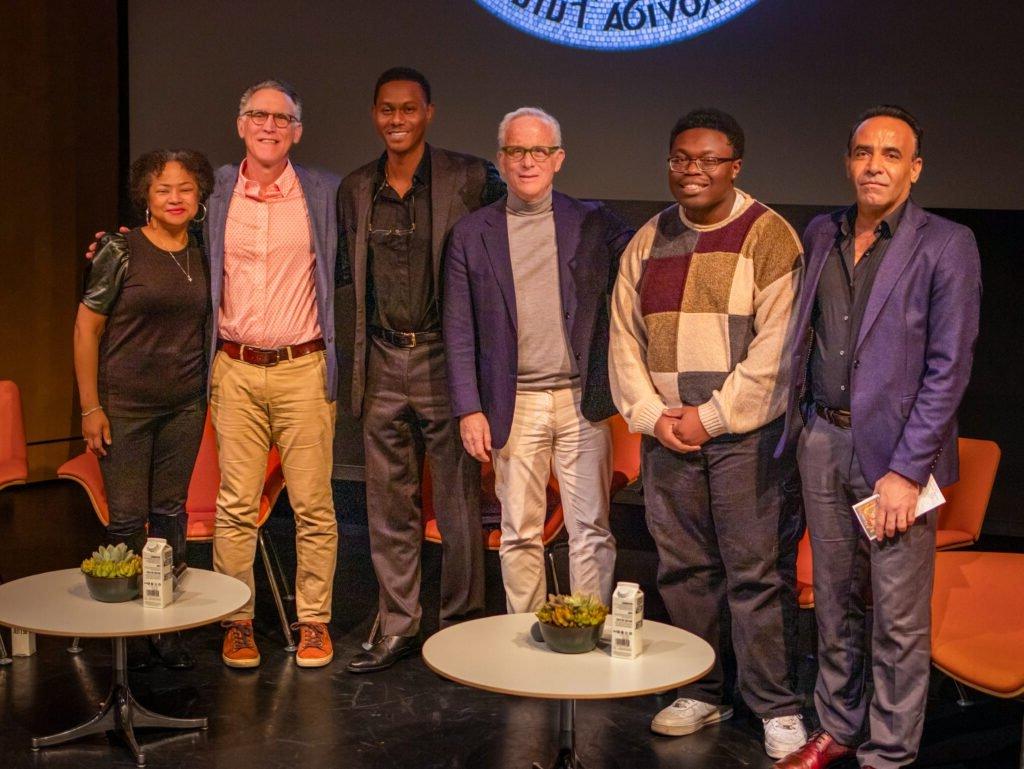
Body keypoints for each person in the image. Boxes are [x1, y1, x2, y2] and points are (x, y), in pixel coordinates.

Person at [773, 106, 981, 769]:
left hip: (896, 457)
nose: (874, 165)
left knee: (895, 614)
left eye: (891, 154)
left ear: (914, 169)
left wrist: (907, 469)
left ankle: (889, 752)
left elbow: (949, 369)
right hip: (820, 440)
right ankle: (838, 724)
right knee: (833, 601)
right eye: (864, 152)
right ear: (848, 161)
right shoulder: (821, 232)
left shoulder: (947, 243)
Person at [609, 108, 806, 758]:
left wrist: (711, 415)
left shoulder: (769, 237)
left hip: (742, 439)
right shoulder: (650, 237)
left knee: (754, 574)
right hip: (669, 438)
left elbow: (777, 354)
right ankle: (702, 689)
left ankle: (775, 706)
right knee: (686, 570)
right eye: (681, 159)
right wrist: (651, 415)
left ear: (735, 165)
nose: (693, 171)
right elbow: (623, 341)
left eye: (709, 160)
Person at [339, 67, 505, 674]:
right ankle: (398, 624)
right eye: (387, 109)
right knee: (388, 503)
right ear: (375, 114)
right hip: (381, 358)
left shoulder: (468, 177)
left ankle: (459, 627)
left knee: (459, 501)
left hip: (445, 357)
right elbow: (346, 280)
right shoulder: (356, 187)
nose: (397, 119)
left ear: (429, 113)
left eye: (408, 109)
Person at [443, 107, 632, 612]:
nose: (528, 162)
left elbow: (645, 263)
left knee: (590, 528)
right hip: (513, 403)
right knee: (520, 531)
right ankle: (522, 638)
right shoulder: (472, 233)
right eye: (516, 151)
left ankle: (588, 632)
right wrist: (469, 408)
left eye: (539, 151)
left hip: (578, 403)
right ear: (501, 160)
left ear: (558, 159)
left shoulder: (592, 222)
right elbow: (459, 329)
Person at [206, 79, 342, 669]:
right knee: (235, 504)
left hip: (302, 368)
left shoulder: (325, 193)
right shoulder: (211, 191)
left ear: (297, 131)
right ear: (240, 124)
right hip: (233, 368)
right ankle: (237, 622)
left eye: (281, 118)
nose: (268, 126)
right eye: (258, 115)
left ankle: (313, 621)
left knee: (313, 505)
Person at [75, 148, 215, 669]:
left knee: (170, 515)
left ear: (199, 197)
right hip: (125, 407)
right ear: (146, 198)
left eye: (185, 188)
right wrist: (91, 407)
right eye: (163, 189)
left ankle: (164, 624)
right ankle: (124, 627)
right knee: (129, 521)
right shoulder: (121, 250)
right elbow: (87, 327)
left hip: (184, 406)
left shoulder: (203, 251)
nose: (175, 198)